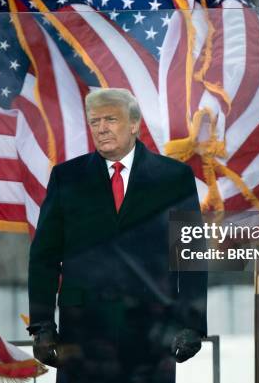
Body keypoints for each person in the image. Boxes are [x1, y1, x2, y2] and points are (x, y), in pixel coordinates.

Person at [27, 88, 207, 383]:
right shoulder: (66, 177)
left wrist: (192, 323)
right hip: (82, 333)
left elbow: (189, 256)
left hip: (151, 330)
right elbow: (44, 257)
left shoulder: (174, 177)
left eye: (110, 119)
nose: (101, 129)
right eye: (95, 121)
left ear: (134, 124)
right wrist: (42, 324)